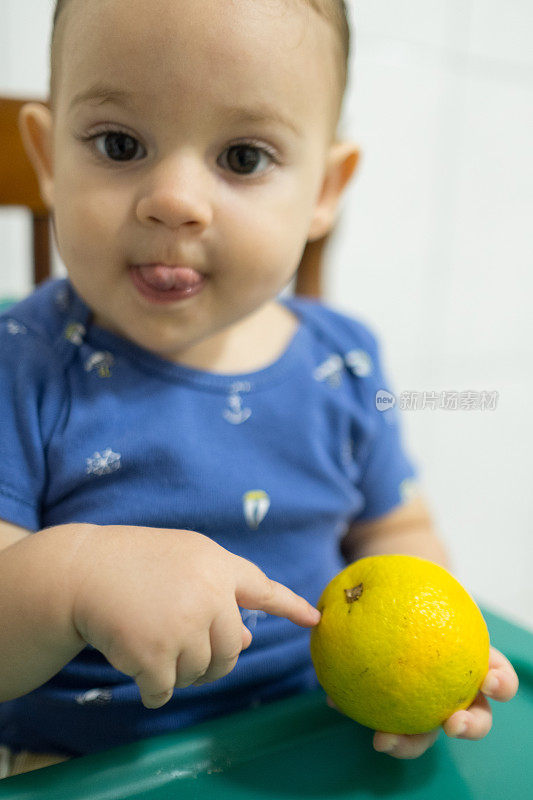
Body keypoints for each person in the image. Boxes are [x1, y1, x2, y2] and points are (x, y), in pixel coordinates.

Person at [0, 0, 518, 778]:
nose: (173, 200)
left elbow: (395, 532)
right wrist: (74, 575)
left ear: (323, 189)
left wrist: (433, 664)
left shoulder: (344, 363)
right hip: (84, 768)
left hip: (316, 739)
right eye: (119, 144)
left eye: (242, 157)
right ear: (46, 157)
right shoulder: (24, 364)